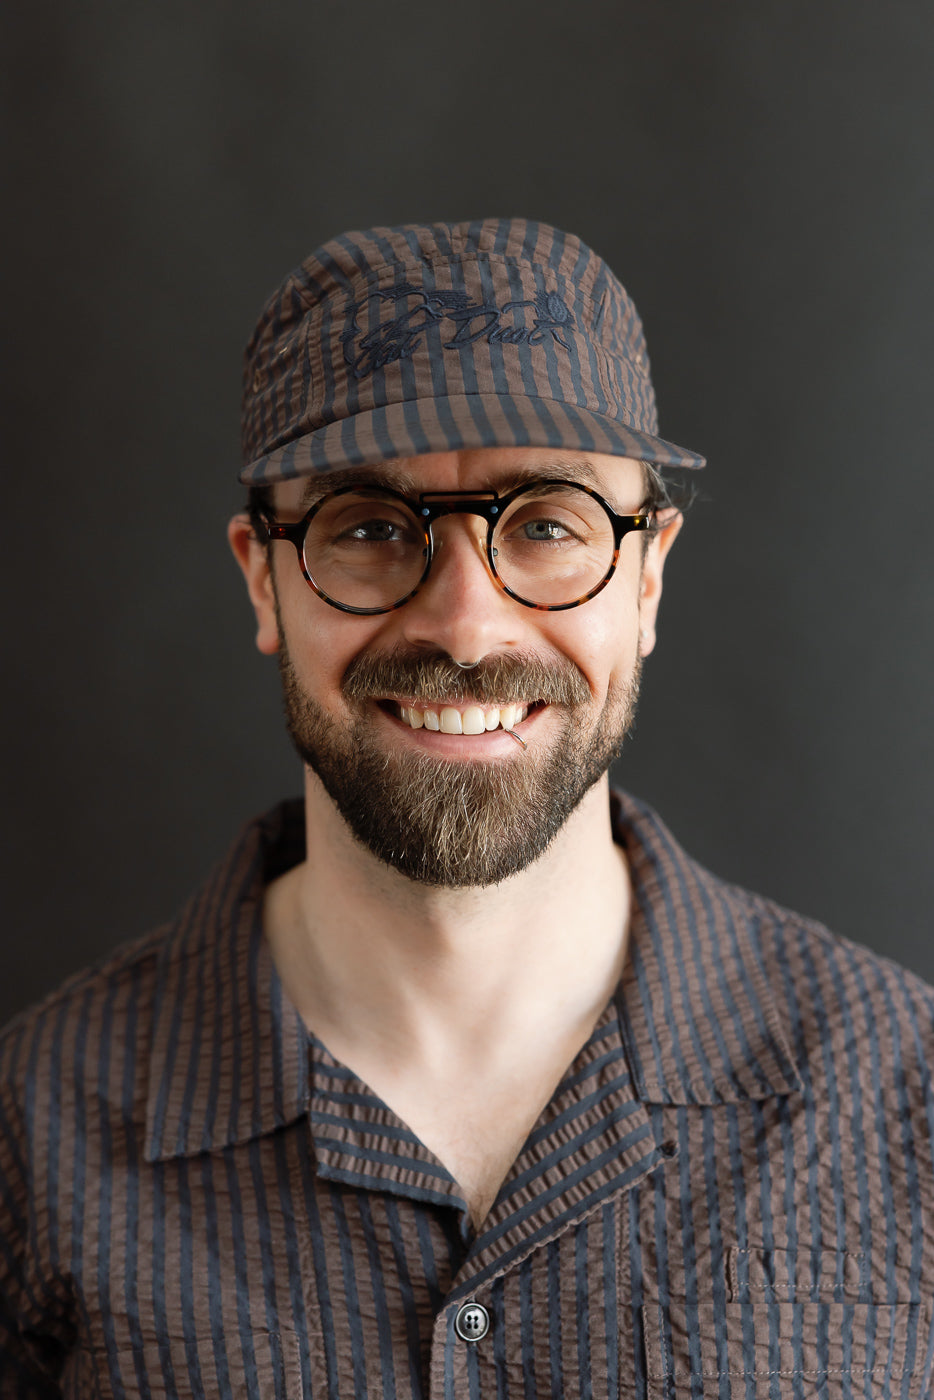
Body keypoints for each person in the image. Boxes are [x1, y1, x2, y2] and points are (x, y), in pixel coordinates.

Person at [1, 220, 932, 1400]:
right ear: (261, 579)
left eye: (546, 525)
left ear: (647, 578)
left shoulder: (906, 1096)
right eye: (368, 527)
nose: (466, 624)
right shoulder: (33, 1133)